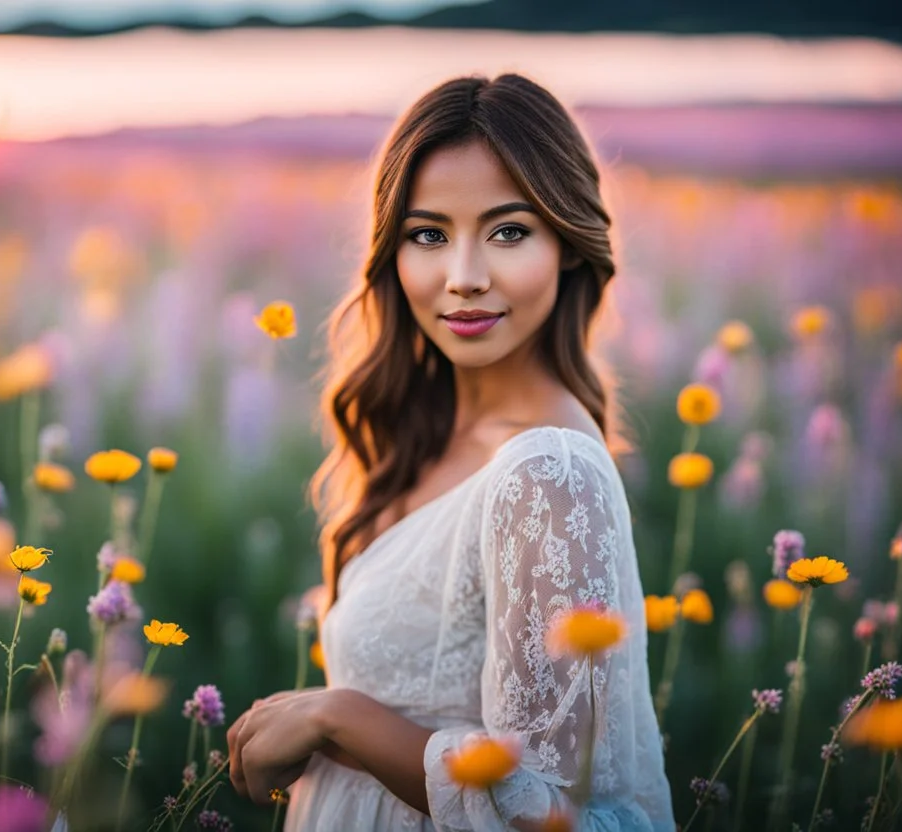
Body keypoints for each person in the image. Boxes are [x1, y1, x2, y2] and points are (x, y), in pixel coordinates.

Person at [227, 73, 674, 831]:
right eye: (428, 234)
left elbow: (546, 812)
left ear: (568, 243)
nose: (464, 278)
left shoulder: (546, 474)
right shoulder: (426, 432)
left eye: (508, 231)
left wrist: (339, 719)